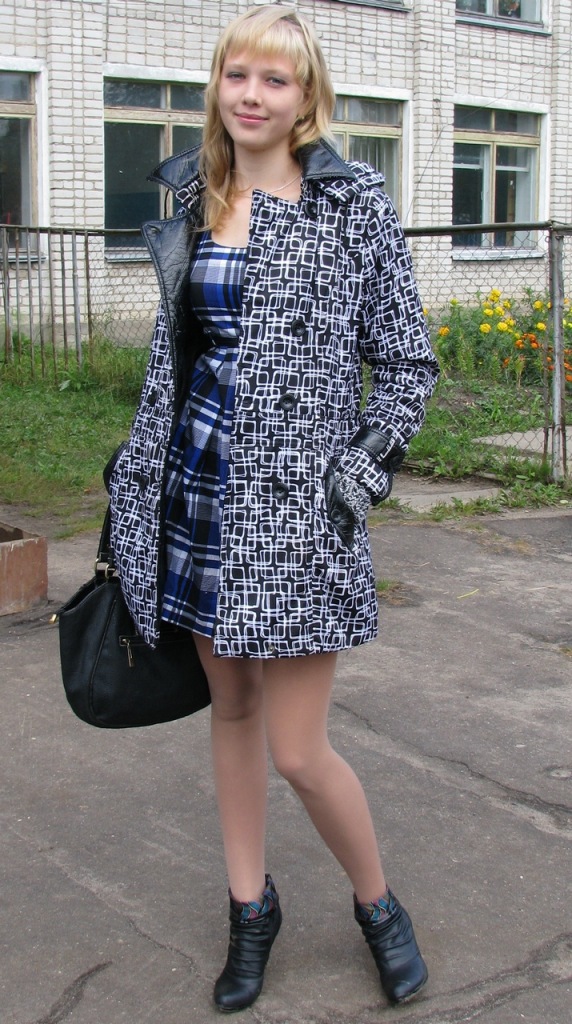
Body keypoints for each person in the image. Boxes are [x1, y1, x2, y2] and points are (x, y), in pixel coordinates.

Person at [107, 4, 439, 1013]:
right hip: (198, 492)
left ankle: (378, 904)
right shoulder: (194, 193)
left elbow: (407, 362)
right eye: (236, 74)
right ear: (218, 85)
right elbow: (183, 357)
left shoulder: (351, 203)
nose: (250, 95)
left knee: (298, 747)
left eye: (274, 79)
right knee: (234, 710)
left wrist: (358, 473)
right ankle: (250, 907)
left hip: (298, 514)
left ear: (306, 98)